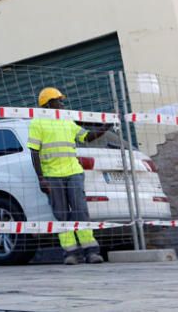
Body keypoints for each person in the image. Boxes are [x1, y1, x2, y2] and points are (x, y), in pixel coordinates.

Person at [28, 87, 113, 265]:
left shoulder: (67, 120)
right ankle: (71, 253)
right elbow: (34, 152)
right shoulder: (37, 123)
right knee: (61, 215)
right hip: (52, 176)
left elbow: (86, 137)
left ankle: (92, 251)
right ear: (49, 104)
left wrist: (105, 127)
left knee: (81, 211)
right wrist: (41, 179)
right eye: (59, 100)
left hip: (73, 172)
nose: (62, 103)